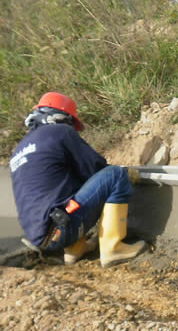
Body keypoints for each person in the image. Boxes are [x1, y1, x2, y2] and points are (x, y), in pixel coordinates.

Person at [10, 92, 146, 267]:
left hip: (41, 236)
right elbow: (94, 169)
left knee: (67, 189)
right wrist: (127, 175)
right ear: (62, 117)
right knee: (115, 175)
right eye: (71, 123)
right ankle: (113, 249)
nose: (72, 128)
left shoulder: (20, 149)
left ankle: (75, 249)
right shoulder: (60, 132)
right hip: (61, 230)